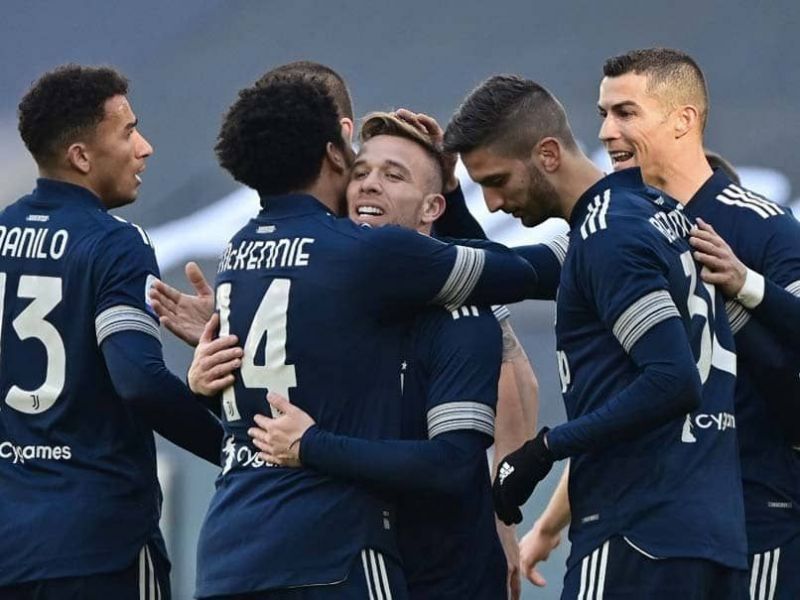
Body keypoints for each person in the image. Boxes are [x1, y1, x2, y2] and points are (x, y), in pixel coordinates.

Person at [187, 70, 540, 599]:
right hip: (335, 556)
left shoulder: (457, 316)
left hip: (421, 573)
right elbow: (268, 436)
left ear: (432, 208)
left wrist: (505, 518)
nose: (369, 183)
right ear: (335, 160)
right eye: (360, 168)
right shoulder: (346, 271)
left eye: (394, 175)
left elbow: (460, 456)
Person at [443, 74, 748, 598]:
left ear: (546, 154)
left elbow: (673, 380)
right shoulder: (652, 216)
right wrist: (451, 200)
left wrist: (544, 449)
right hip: (710, 537)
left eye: (496, 181)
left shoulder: (606, 236)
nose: (493, 204)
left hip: (636, 532)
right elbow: (512, 270)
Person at [0, 64, 224, 600]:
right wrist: (234, 450)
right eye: (127, 132)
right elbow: (140, 381)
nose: (144, 148)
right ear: (81, 157)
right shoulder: (114, 243)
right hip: (99, 545)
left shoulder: (3, 232)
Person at [597, 47, 800, 599]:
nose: (608, 131)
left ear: (683, 119)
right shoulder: (621, 228)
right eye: (603, 114)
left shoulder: (762, 224)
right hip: (658, 524)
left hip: (755, 516)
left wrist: (745, 286)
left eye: (626, 113)